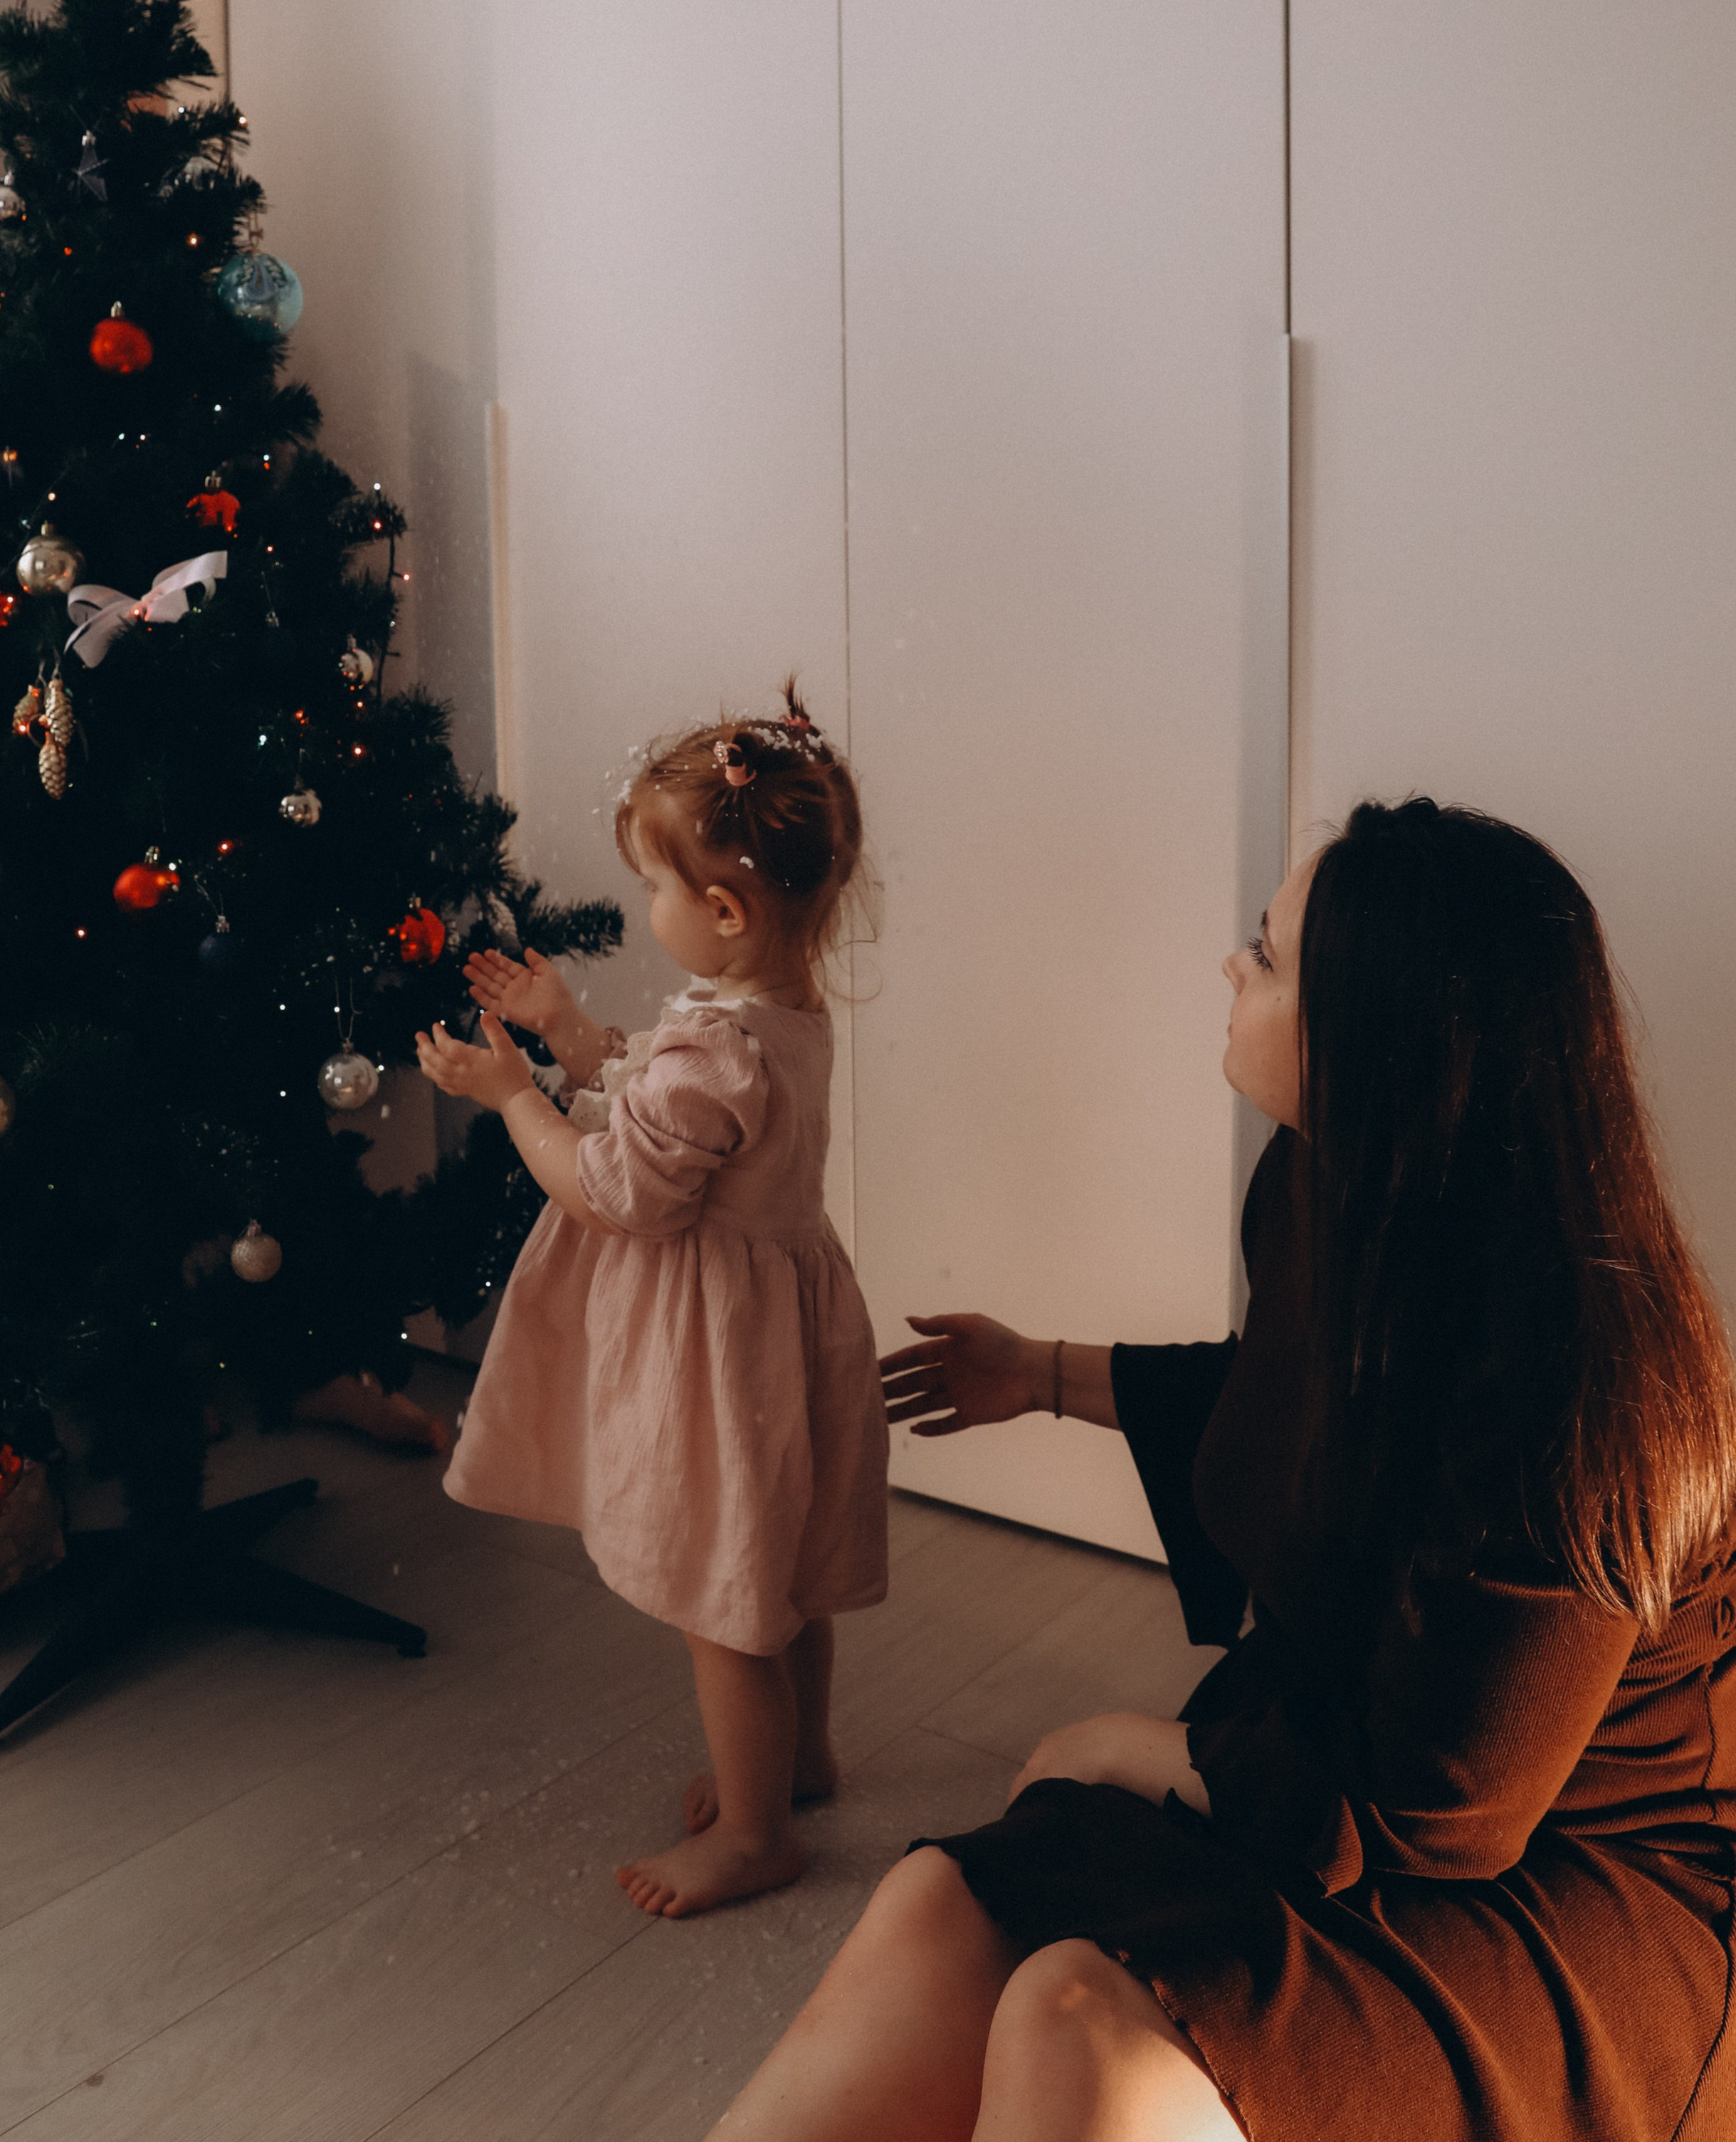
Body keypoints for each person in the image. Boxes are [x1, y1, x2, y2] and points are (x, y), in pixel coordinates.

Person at [711, 799, 1736, 2140]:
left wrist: (1145, 1747)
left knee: (1074, 2020)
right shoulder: (1321, 1187)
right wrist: (1039, 1372)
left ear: (1373, 1035)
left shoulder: (1572, 1376)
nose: (1230, 970)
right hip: (1342, 1747)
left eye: (1266, 952)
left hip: (1560, 1879)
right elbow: (1292, 1406)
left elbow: (1449, 1809)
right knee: (947, 1904)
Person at [416, 683, 888, 1919]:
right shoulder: (772, 1015)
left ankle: (755, 1835)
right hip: (782, 1319)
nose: (650, 910)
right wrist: (568, 1026)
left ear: (723, 910)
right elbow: (657, 1100)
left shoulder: (713, 1048)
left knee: (721, 1600)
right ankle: (803, 1764)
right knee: (782, 1569)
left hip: (714, 1351)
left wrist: (513, 1097)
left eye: (656, 891)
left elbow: (618, 1184)